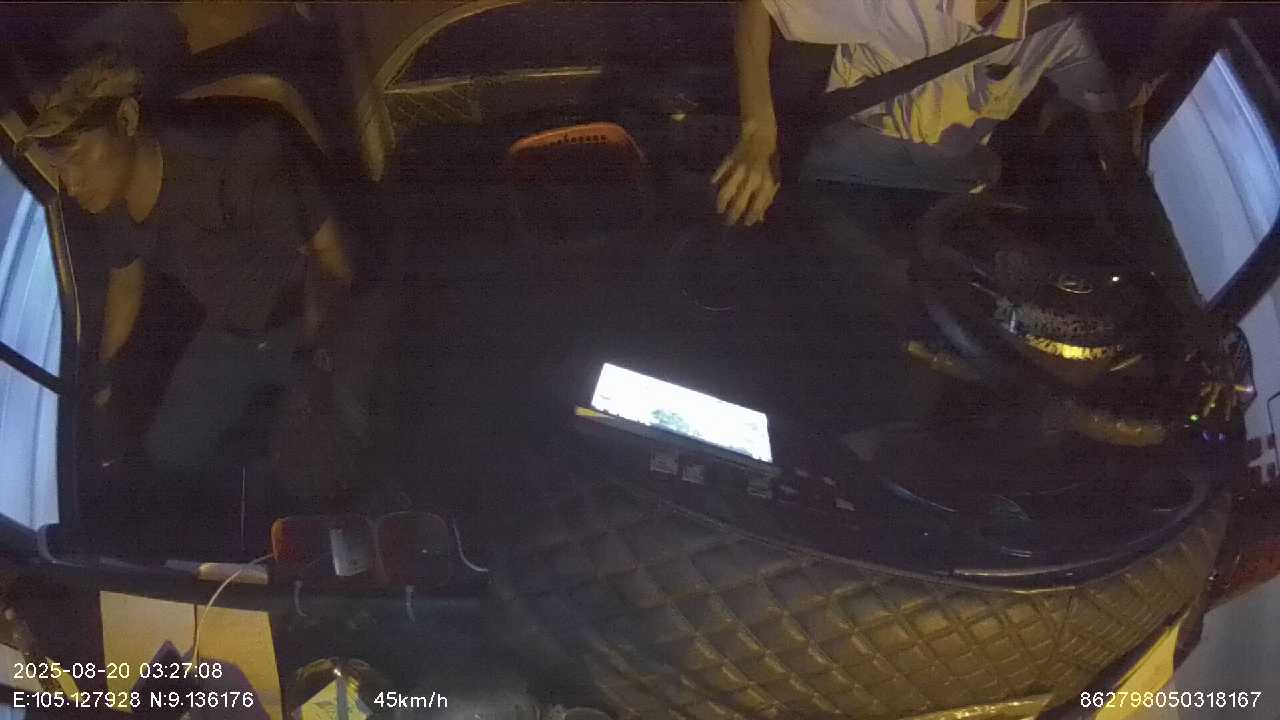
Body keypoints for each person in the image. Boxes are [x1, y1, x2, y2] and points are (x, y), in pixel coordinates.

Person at [15, 51, 354, 544]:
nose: (71, 185)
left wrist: (319, 371)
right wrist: (103, 380)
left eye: (77, 159)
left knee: (324, 469)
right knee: (168, 454)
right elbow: (126, 286)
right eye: (59, 171)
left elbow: (331, 263)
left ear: (126, 120)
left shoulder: (239, 153)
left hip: (310, 319)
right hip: (229, 332)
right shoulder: (111, 202)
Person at [711, 0, 1156, 227]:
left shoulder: (1056, 27)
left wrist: (1132, 193)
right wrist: (758, 133)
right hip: (848, 176)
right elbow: (760, 7)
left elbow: (1106, 111)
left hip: (947, 195)